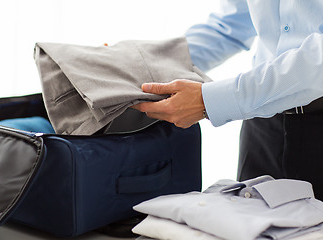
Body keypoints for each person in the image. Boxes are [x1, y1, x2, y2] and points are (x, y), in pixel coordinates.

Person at [133, 0, 323, 200]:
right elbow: (229, 25)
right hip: (263, 125)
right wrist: (138, 63)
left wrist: (210, 100)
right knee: (247, 224)